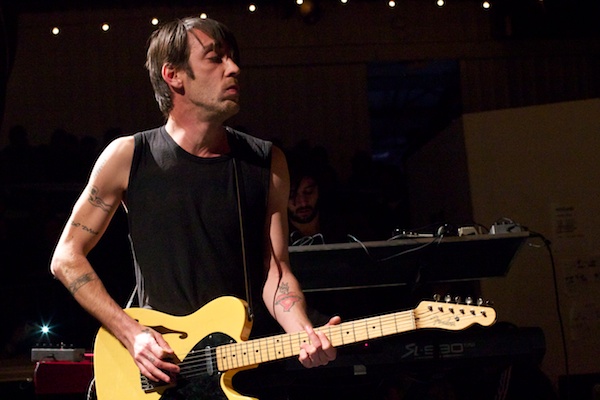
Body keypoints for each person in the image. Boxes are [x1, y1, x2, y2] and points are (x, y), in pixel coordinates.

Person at [50, 16, 338, 398]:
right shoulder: (129, 157)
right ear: (174, 75)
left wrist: (301, 330)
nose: (233, 68)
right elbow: (66, 257)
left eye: (233, 58)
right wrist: (131, 333)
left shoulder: (266, 162)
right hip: (162, 373)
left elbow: (276, 269)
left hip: (241, 369)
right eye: (215, 58)